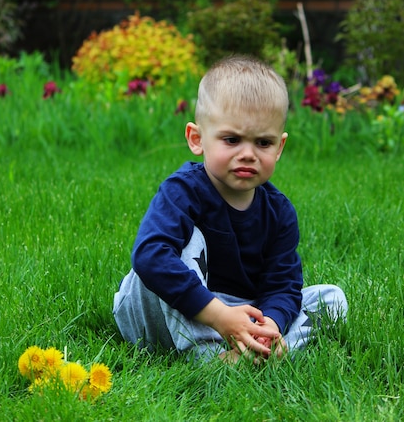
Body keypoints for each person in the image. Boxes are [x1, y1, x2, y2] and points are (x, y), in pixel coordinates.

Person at [113, 55, 347, 363]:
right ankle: (212, 357)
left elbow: (283, 284)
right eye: (232, 139)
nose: (248, 154)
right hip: (161, 312)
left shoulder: (279, 213)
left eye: (263, 143)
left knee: (332, 299)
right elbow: (149, 257)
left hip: (239, 313)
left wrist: (271, 324)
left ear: (279, 147)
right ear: (197, 139)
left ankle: (262, 349)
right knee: (181, 248)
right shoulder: (183, 191)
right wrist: (219, 315)